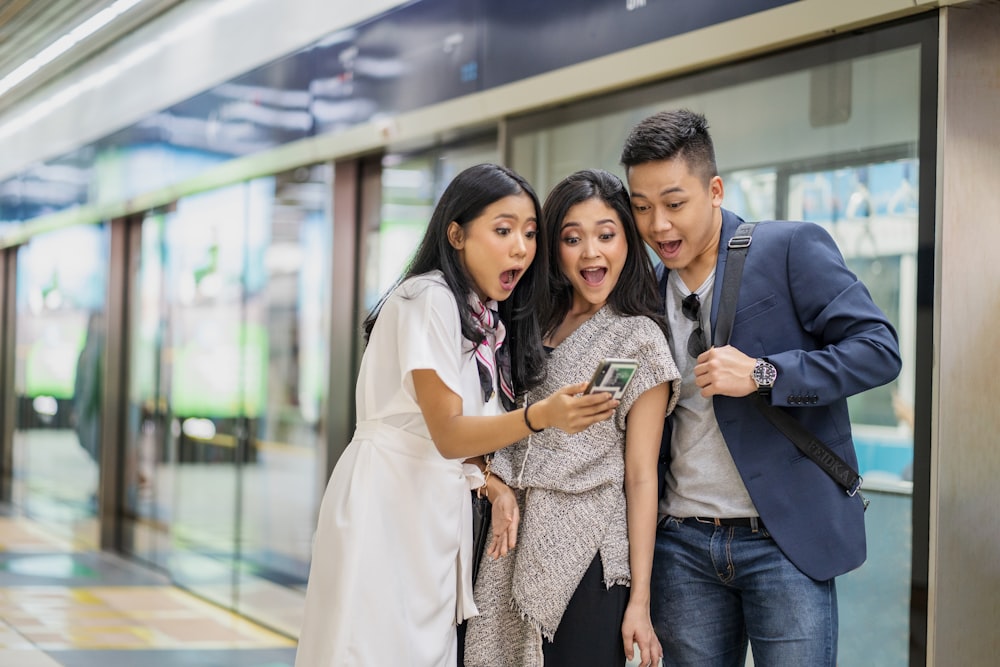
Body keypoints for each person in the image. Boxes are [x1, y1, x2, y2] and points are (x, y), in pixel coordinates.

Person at [293, 163, 618, 667]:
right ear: (456, 233)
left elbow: (447, 442)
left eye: (531, 234)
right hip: (387, 508)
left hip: (431, 513)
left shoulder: (481, 319)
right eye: (503, 230)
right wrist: (542, 416)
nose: (522, 249)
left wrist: (490, 483)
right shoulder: (429, 298)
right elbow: (447, 433)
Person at [619, 109, 902, 666]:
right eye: (642, 207)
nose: (658, 227)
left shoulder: (788, 248)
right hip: (682, 547)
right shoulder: (642, 291)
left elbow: (879, 349)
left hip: (783, 543)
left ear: (715, 190)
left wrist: (765, 373)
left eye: (675, 204)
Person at [464, 169, 680, 667]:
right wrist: (492, 484)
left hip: (586, 550)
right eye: (572, 238)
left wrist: (641, 603)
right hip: (506, 534)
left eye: (606, 235)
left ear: (627, 240)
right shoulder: (526, 319)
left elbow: (641, 475)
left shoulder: (636, 338)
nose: (591, 253)